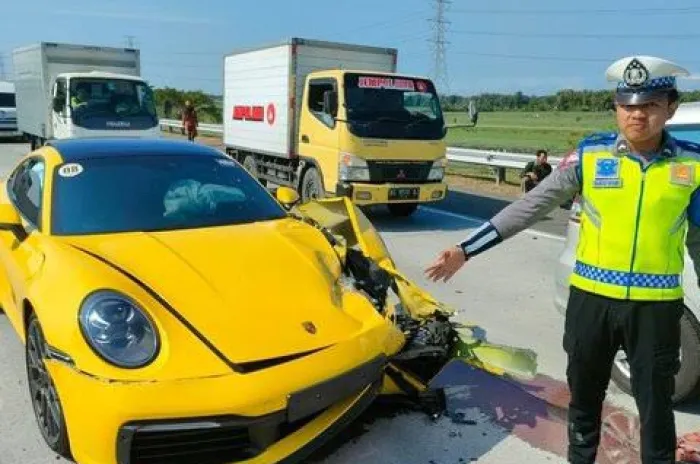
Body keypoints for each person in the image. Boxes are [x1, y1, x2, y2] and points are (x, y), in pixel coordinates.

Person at [425, 55, 700, 464]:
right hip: (591, 304)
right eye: (627, 105)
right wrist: (466, 248)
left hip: (657, 312)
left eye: (649, 105)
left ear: (670, 108)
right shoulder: (590, 157)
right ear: (616, 108)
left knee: (656, 408)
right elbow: (532, 206)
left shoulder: (692, 165)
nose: (637, 115)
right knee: (584, 402)